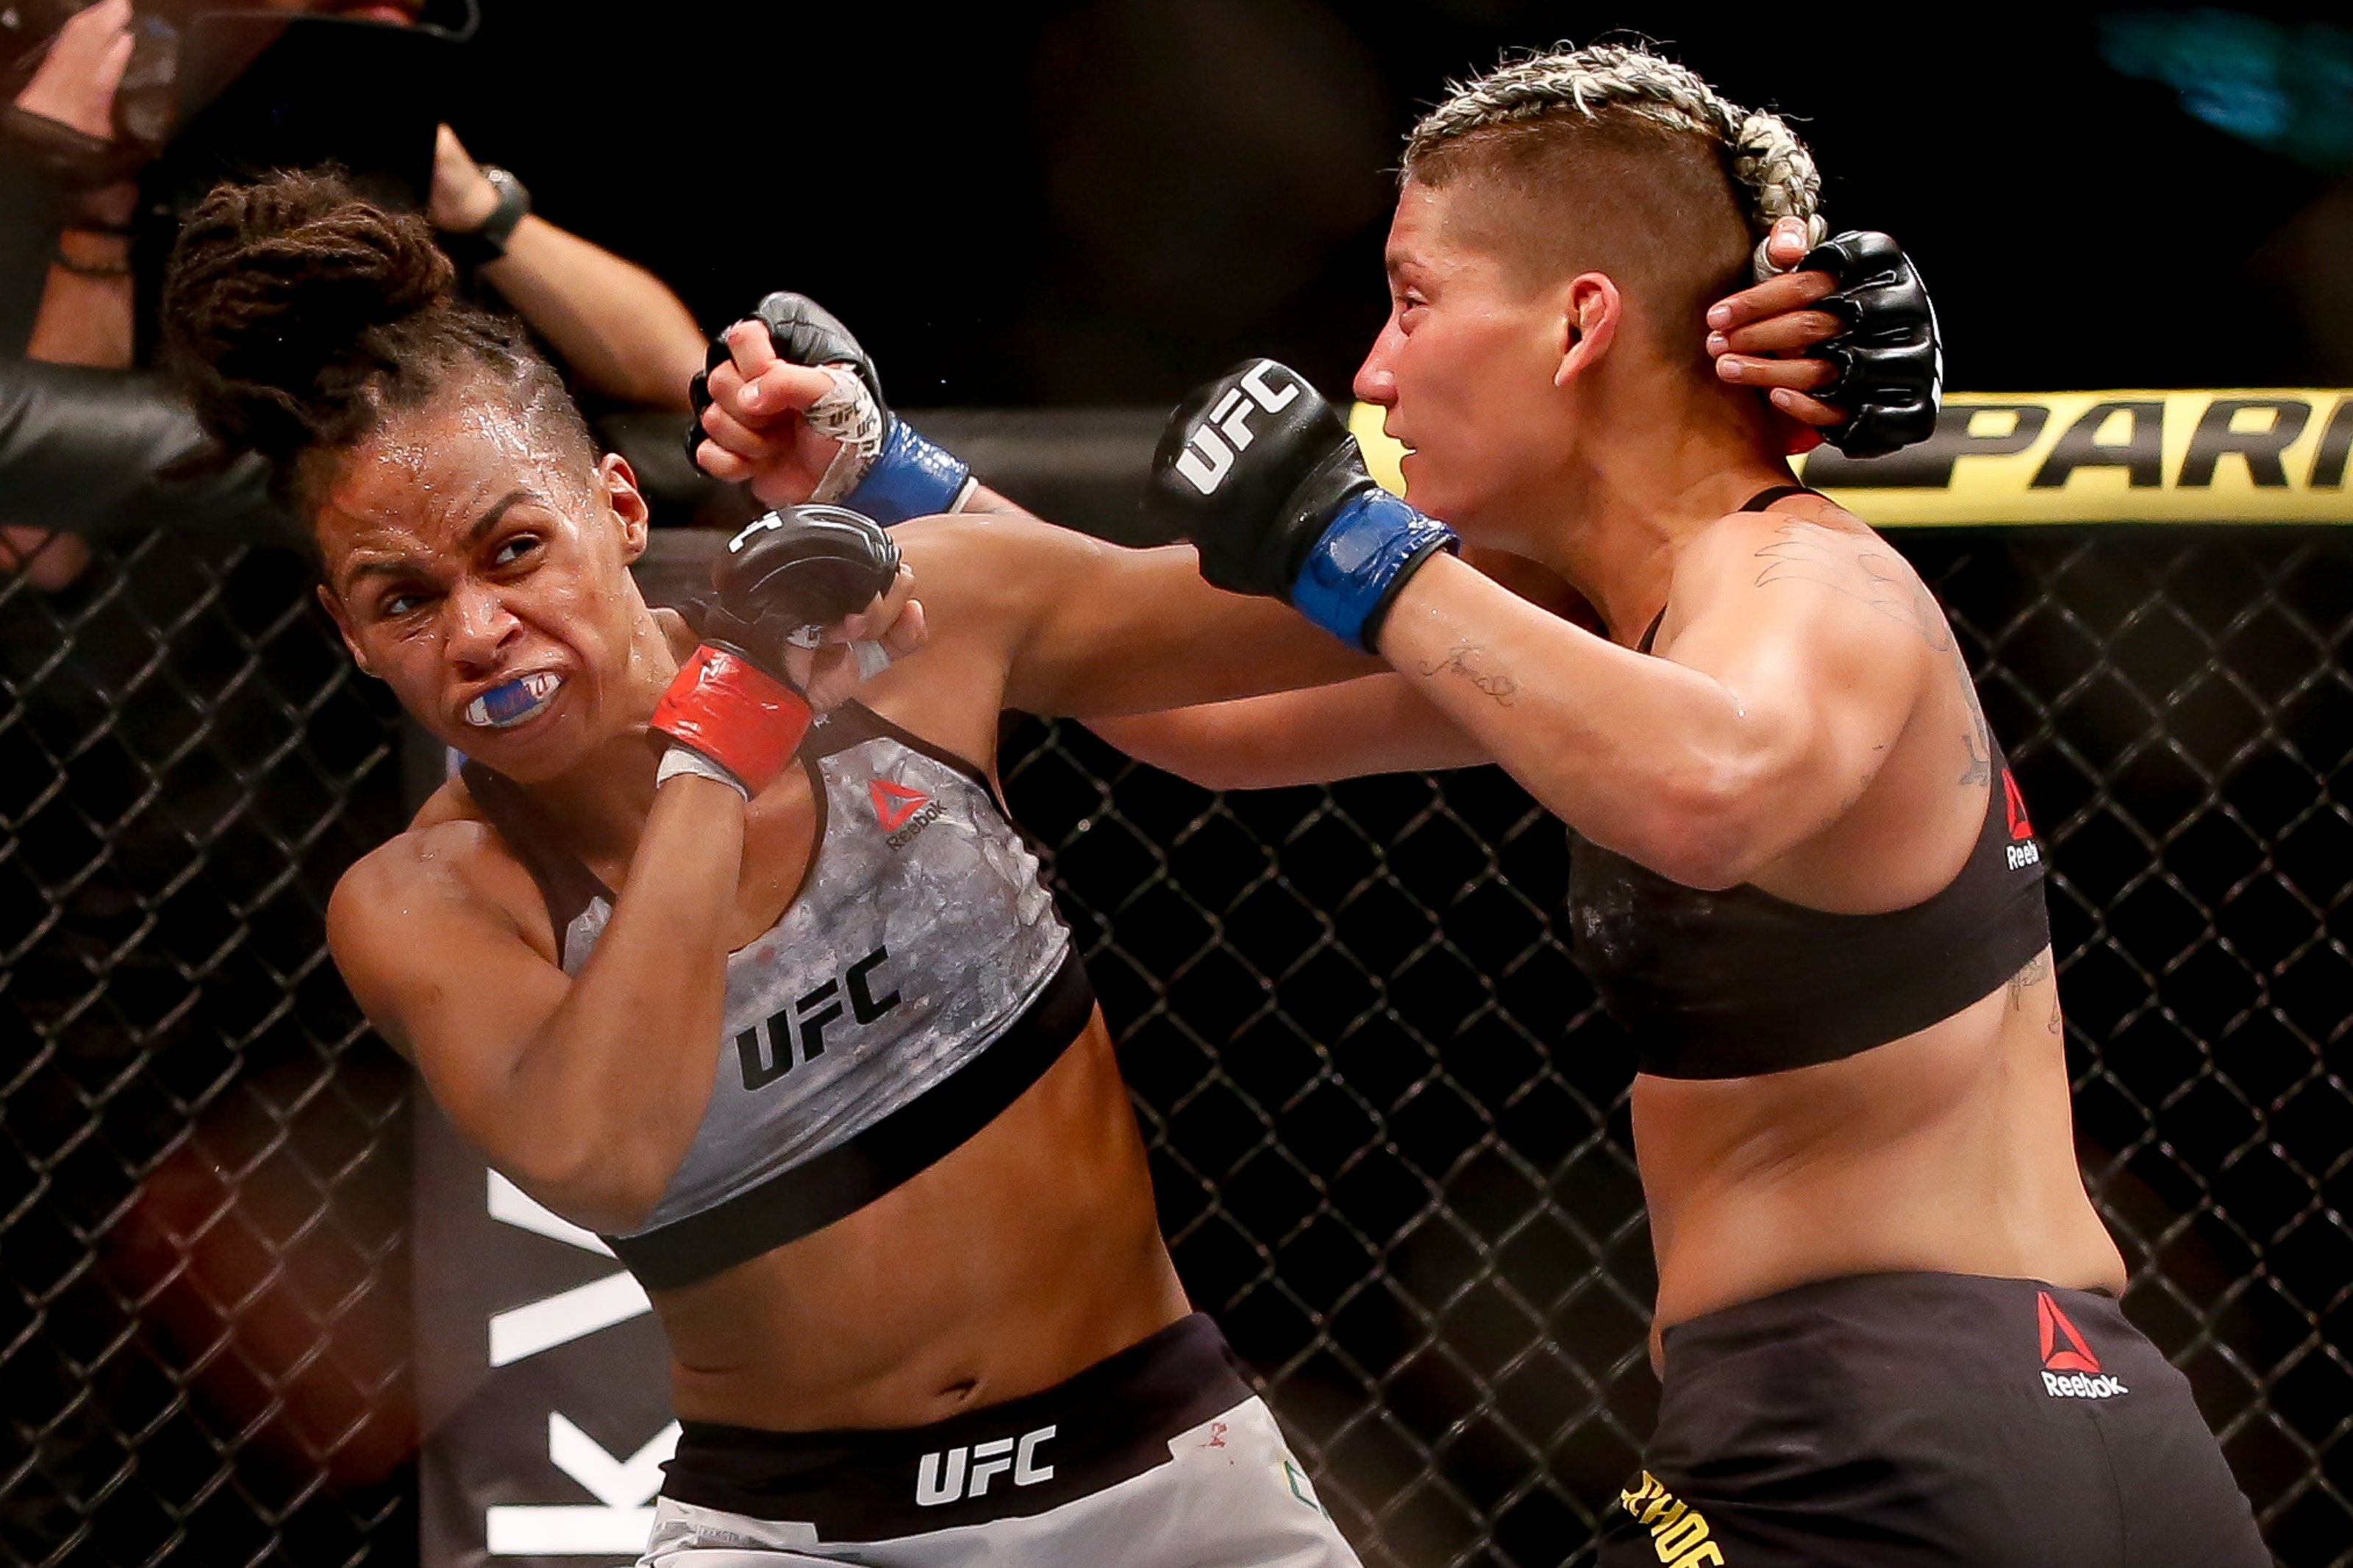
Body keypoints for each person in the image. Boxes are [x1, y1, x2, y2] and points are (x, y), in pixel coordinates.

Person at [1072, 43, 2266, 1567]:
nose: (1369, 372)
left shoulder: (1793, 582)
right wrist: (893, 492)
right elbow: (1203, 722)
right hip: (2053, 1412)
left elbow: (1707, 789)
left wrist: (1350, 547)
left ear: (1580, 322)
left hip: (1864, 1436)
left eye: (1413, 300)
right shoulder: (1608, 633)